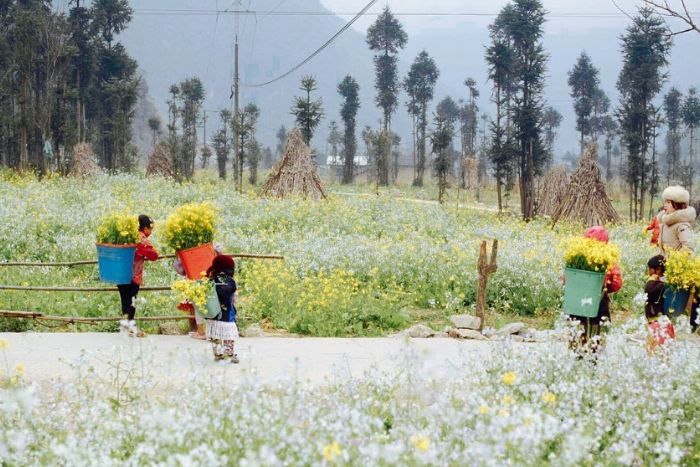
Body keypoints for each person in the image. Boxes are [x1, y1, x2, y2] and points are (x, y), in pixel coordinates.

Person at [569, 226, 623, 354]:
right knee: (598, 327)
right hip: (599, 301)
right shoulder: (607, 259)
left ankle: (576, 351)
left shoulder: (576, 257)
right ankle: (594, 353)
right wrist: (606, 287)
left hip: (577, 300)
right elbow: (617, 283)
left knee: (577, 327)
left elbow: (567, 279)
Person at [657, 185, 698, 331]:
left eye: (668, 202)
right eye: (665, 202)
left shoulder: (682, 224)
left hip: (675, 271)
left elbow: (689, 247)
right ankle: (661, 325)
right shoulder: (666, 222)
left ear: (677, 205)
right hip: (664, 268)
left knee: (671, 301)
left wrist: (674, 263)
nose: (665, 205)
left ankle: (671, 327)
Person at [117, 215, 159, 337]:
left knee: (125, 300)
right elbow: (153, 255)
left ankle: (126, 327)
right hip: (133, 276)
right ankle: (131, 328)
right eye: (150, 229)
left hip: (121, 273)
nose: (151, 232)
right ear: (145, 228)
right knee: (131, 302)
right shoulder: (141, 239)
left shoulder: (127, 235)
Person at [173, 244, 223, 340]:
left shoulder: (185, 246)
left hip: (194, 278)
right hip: (210, 277)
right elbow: (219, 255)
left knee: (198, 305)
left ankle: (201, 332)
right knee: (213, 302)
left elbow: (180, 270)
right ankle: (213, 332)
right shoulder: (209, 245)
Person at [206, 254, 240, 363]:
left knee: (215, 333)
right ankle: (228, 353)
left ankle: (218, 354)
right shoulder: (228, 280)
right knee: (228, 333)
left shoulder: (211, 278)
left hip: (213, 312)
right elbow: (229, 291)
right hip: (226, 313)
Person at [644, 254, 675, 350]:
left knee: (656, 350)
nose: (649, 272)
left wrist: (651, 280)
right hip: (663, 321)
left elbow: (649, 291)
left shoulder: (660, 284)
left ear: (658, 270)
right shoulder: (663, 283)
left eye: (650, 269)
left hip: (658, 322)